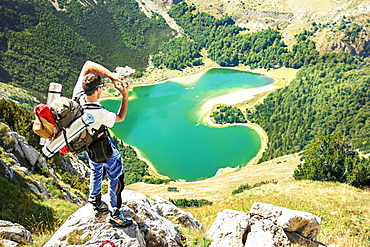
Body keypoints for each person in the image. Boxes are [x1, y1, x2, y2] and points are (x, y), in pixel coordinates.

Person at [72, 60, 133, 227]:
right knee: (115, 178)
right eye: (102, 86)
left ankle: (96, 200)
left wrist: (111, 76)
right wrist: (125, 95)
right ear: (98, 90)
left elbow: (87, 65)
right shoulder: (99, 113)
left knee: (96, 169)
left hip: (90, 147)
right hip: (106, 150)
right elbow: (121, 117)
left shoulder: (77, 98)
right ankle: (115, 212)